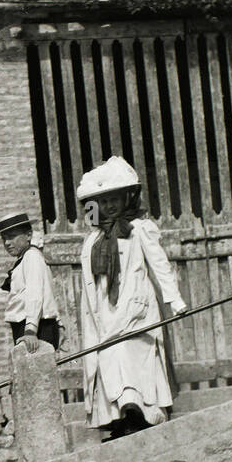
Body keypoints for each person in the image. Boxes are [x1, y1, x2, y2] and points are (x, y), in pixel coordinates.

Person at [78, 156, 187, 439]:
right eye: (103, 201)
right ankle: (117, 417)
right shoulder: (93, 239)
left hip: (135, 308)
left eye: (115, 198)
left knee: (129, 356)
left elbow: (159, 264)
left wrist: (173, 299)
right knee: (107, 360)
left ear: (126, 198)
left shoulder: (139, 229)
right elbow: (91, 284)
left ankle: (139, 415)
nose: (110, 205)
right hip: (105, 311)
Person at [0, 212, 61, 351]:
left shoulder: (31, 257)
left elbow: (35, 294)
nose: (7, 243)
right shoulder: (23, 260)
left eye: (12, 237)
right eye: (4, 239)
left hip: (36, 327)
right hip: (29, 326)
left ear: (28, 235)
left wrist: (31, 330)